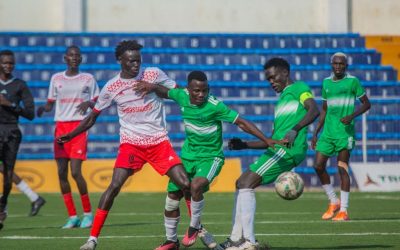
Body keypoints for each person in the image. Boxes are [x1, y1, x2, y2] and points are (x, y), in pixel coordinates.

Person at [56, 40, 191, 250]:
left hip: (158, 142)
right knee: (114, 186)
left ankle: (194, 228)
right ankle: (92, 239)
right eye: (131, 61)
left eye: (138, 60)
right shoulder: (112, 87)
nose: (136, 65)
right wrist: (71, 134)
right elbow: (92, 117)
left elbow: (179, 93)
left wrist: (155, 88)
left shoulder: (153, 74)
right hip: (131, 145)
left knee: (186, 183)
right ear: (120, 60)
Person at [134, 70, 280, 250]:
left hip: (211, 158)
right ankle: (171, 241)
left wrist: (266, 140)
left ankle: (194, 226)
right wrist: (152, 87)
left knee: (196, 185)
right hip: (188, 156)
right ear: (188, 89)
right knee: (172, 198)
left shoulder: (215, 105)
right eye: (196, 91)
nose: (201, 94)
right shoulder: (181, 95)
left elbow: (241, 122)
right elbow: (165, 92)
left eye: (204, 90)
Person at [221, 58, 320, 250]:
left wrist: (296, 128)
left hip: (289, 151)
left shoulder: (299, 88)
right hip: (279, 149)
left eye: (273, 77)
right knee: (241, 183)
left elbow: (314, 110)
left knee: (245, 183)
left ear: (285, 73)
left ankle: (249, 241)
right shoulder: (281, 102)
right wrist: (245, 144)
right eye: (268, 79)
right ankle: (236, 240)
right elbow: (273, 141)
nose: (271, 82)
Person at [36, 45, 99, 229]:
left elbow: (98, 98)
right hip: (61, 128)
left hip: (79, 127)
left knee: (75, 172)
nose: (74, 57)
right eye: (71, 55)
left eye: (77, 55)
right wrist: (42, 109)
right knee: (61, 173)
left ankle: (87, 214)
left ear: (81, 59)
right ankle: (72, 216)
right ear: (65, 58)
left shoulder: (88, 78)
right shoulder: (56, 78)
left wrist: (89, 101)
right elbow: (50, 103)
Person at [311, 52, 371, 221]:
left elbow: (367, 104)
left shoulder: (353, 82)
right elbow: (324, 109)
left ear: (346, 66)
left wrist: (351, 116)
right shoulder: (326, 83)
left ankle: (343, 210)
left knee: (341, 168)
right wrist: (316, 132)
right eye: (335, 63)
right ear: (331, 65)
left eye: (341, 64)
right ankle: (333, 201)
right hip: (328, 133)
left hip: (345, 134)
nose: (338, 66)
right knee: (317, 165)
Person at [0, 49, 35, 230]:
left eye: (11, 63)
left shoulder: (19, 85)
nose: (8, 66)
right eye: (5, 62)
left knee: (7, 176)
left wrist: (10, 104)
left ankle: (3, 205)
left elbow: (31, 114)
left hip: (11, 132)